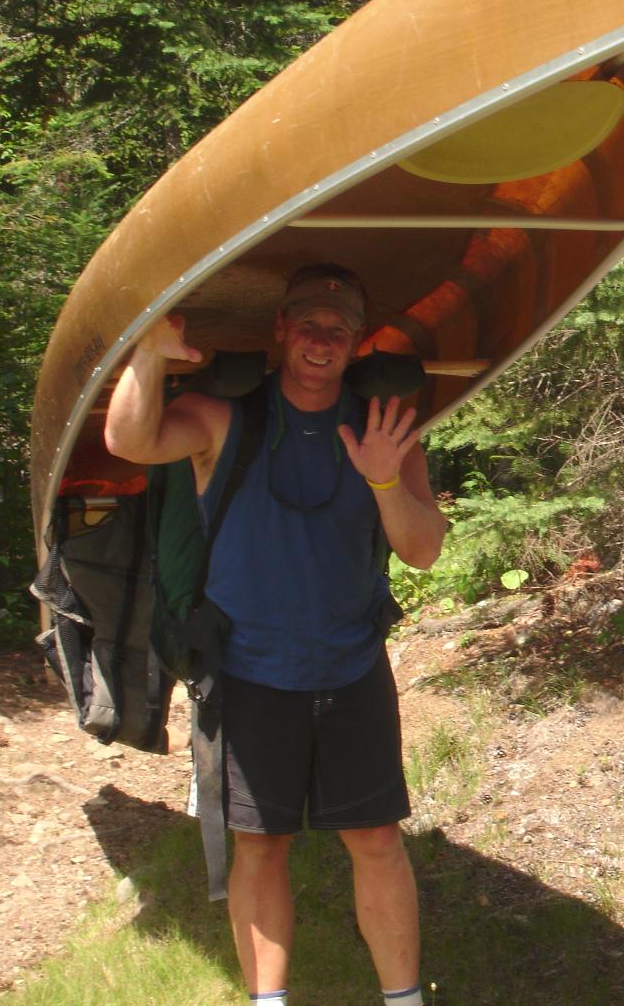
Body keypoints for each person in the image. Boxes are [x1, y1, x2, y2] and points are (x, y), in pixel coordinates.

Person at [104, 265, 446, 1006]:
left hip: (352, 665)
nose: (322, 340)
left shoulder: (384, 427)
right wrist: (148, 354)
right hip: (249, 671)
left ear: (356, 342)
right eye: (310, 324)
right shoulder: (225, 417)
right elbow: (131, 441)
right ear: (281, 329)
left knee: (378, 839)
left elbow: (422, 550)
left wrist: (387, 480)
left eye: (339, 328)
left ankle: (404, 998)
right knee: (260, 845)